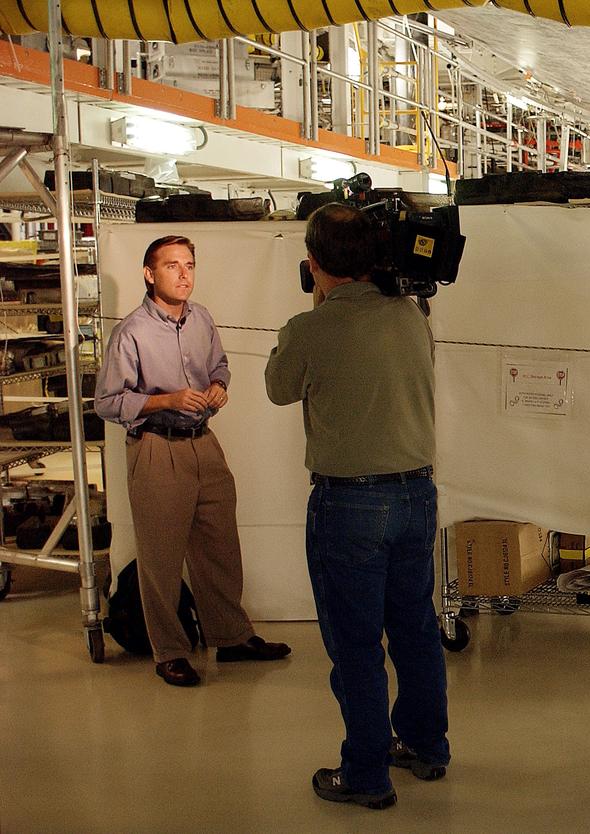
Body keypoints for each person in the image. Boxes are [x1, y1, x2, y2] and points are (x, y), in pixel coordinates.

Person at [264, 204, 448, 811]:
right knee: (416, 629)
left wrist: (318, 305)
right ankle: (425, 744)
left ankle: (366, 773)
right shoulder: (411, 315)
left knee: (356, 644)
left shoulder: (308, 328)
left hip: (349, 504)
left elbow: (278, 388)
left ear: (314, 263)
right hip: (417, 494)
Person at [95, 236, 291, 687]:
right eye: (172, 266)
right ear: (149, 274)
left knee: (220, 545)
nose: (184, 274)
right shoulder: (131, 332)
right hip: (156, 447)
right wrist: (167, 399)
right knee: (161, 557)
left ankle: (231, 636)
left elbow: (219, 364)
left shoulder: (201, 318)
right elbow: (106, 402)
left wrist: (220, 385)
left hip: (204, 442)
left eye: (189, 265)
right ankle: (170, 651)